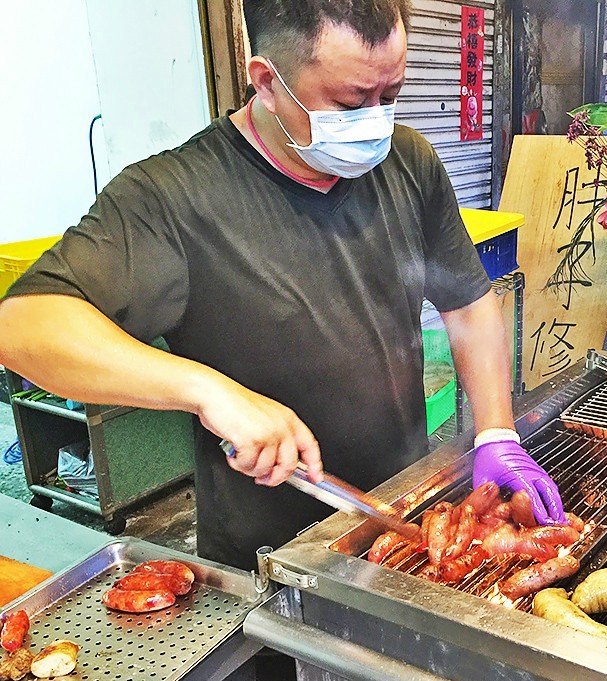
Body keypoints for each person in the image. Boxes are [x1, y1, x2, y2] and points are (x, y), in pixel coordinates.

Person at [0, 0, 564, 573]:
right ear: (267, 81)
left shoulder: (409, 162)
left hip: (402, 522)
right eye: (349, 103)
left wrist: (497, 430)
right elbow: (23, 326)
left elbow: (467, 303)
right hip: (266, 564)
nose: (375, 120)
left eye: (389, 97)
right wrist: (210, 392)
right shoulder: (173, 196)